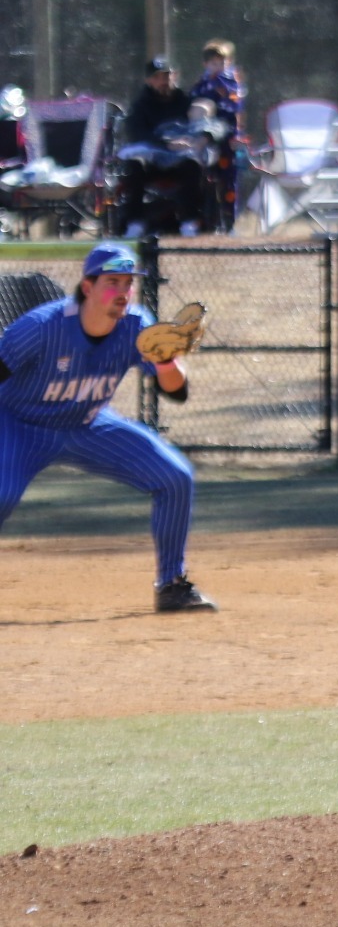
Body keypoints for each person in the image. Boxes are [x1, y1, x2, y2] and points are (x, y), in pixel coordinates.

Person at [0, 242, 215, 613]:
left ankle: (172, 586)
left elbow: (176, 392)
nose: (123, 291)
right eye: (112, 282)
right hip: (21, 425)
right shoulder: (42, 327)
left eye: (128, 283)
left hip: (88, 423)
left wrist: (166, 362)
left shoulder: (136, 326)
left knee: (175, 477)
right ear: (88, 286)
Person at [118, 55, 207, 237]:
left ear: (175, 76)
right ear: (148, 80)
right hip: (151, 162)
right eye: (157, 77)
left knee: (193, 165)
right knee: (134, 165)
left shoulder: (186, 101)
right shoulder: (140, 105)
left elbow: (206, 125)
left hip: (180, 160)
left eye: (166, 76)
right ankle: (135, 223)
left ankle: (189, 221)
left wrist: (204, 137)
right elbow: (137, 133)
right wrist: (166, 144)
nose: (163, 81)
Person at [188, 40, 245, 233]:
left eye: (222, 63)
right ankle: (208, 222)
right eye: (213, 63)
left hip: (226, 140)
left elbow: (234, 111)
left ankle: (230, 223)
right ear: (206, 64)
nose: (218, 66)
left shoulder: (230, 84)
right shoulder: (200, 85)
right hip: (203, 141)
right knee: (206, 180)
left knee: (228, 182)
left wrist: (236, 135)